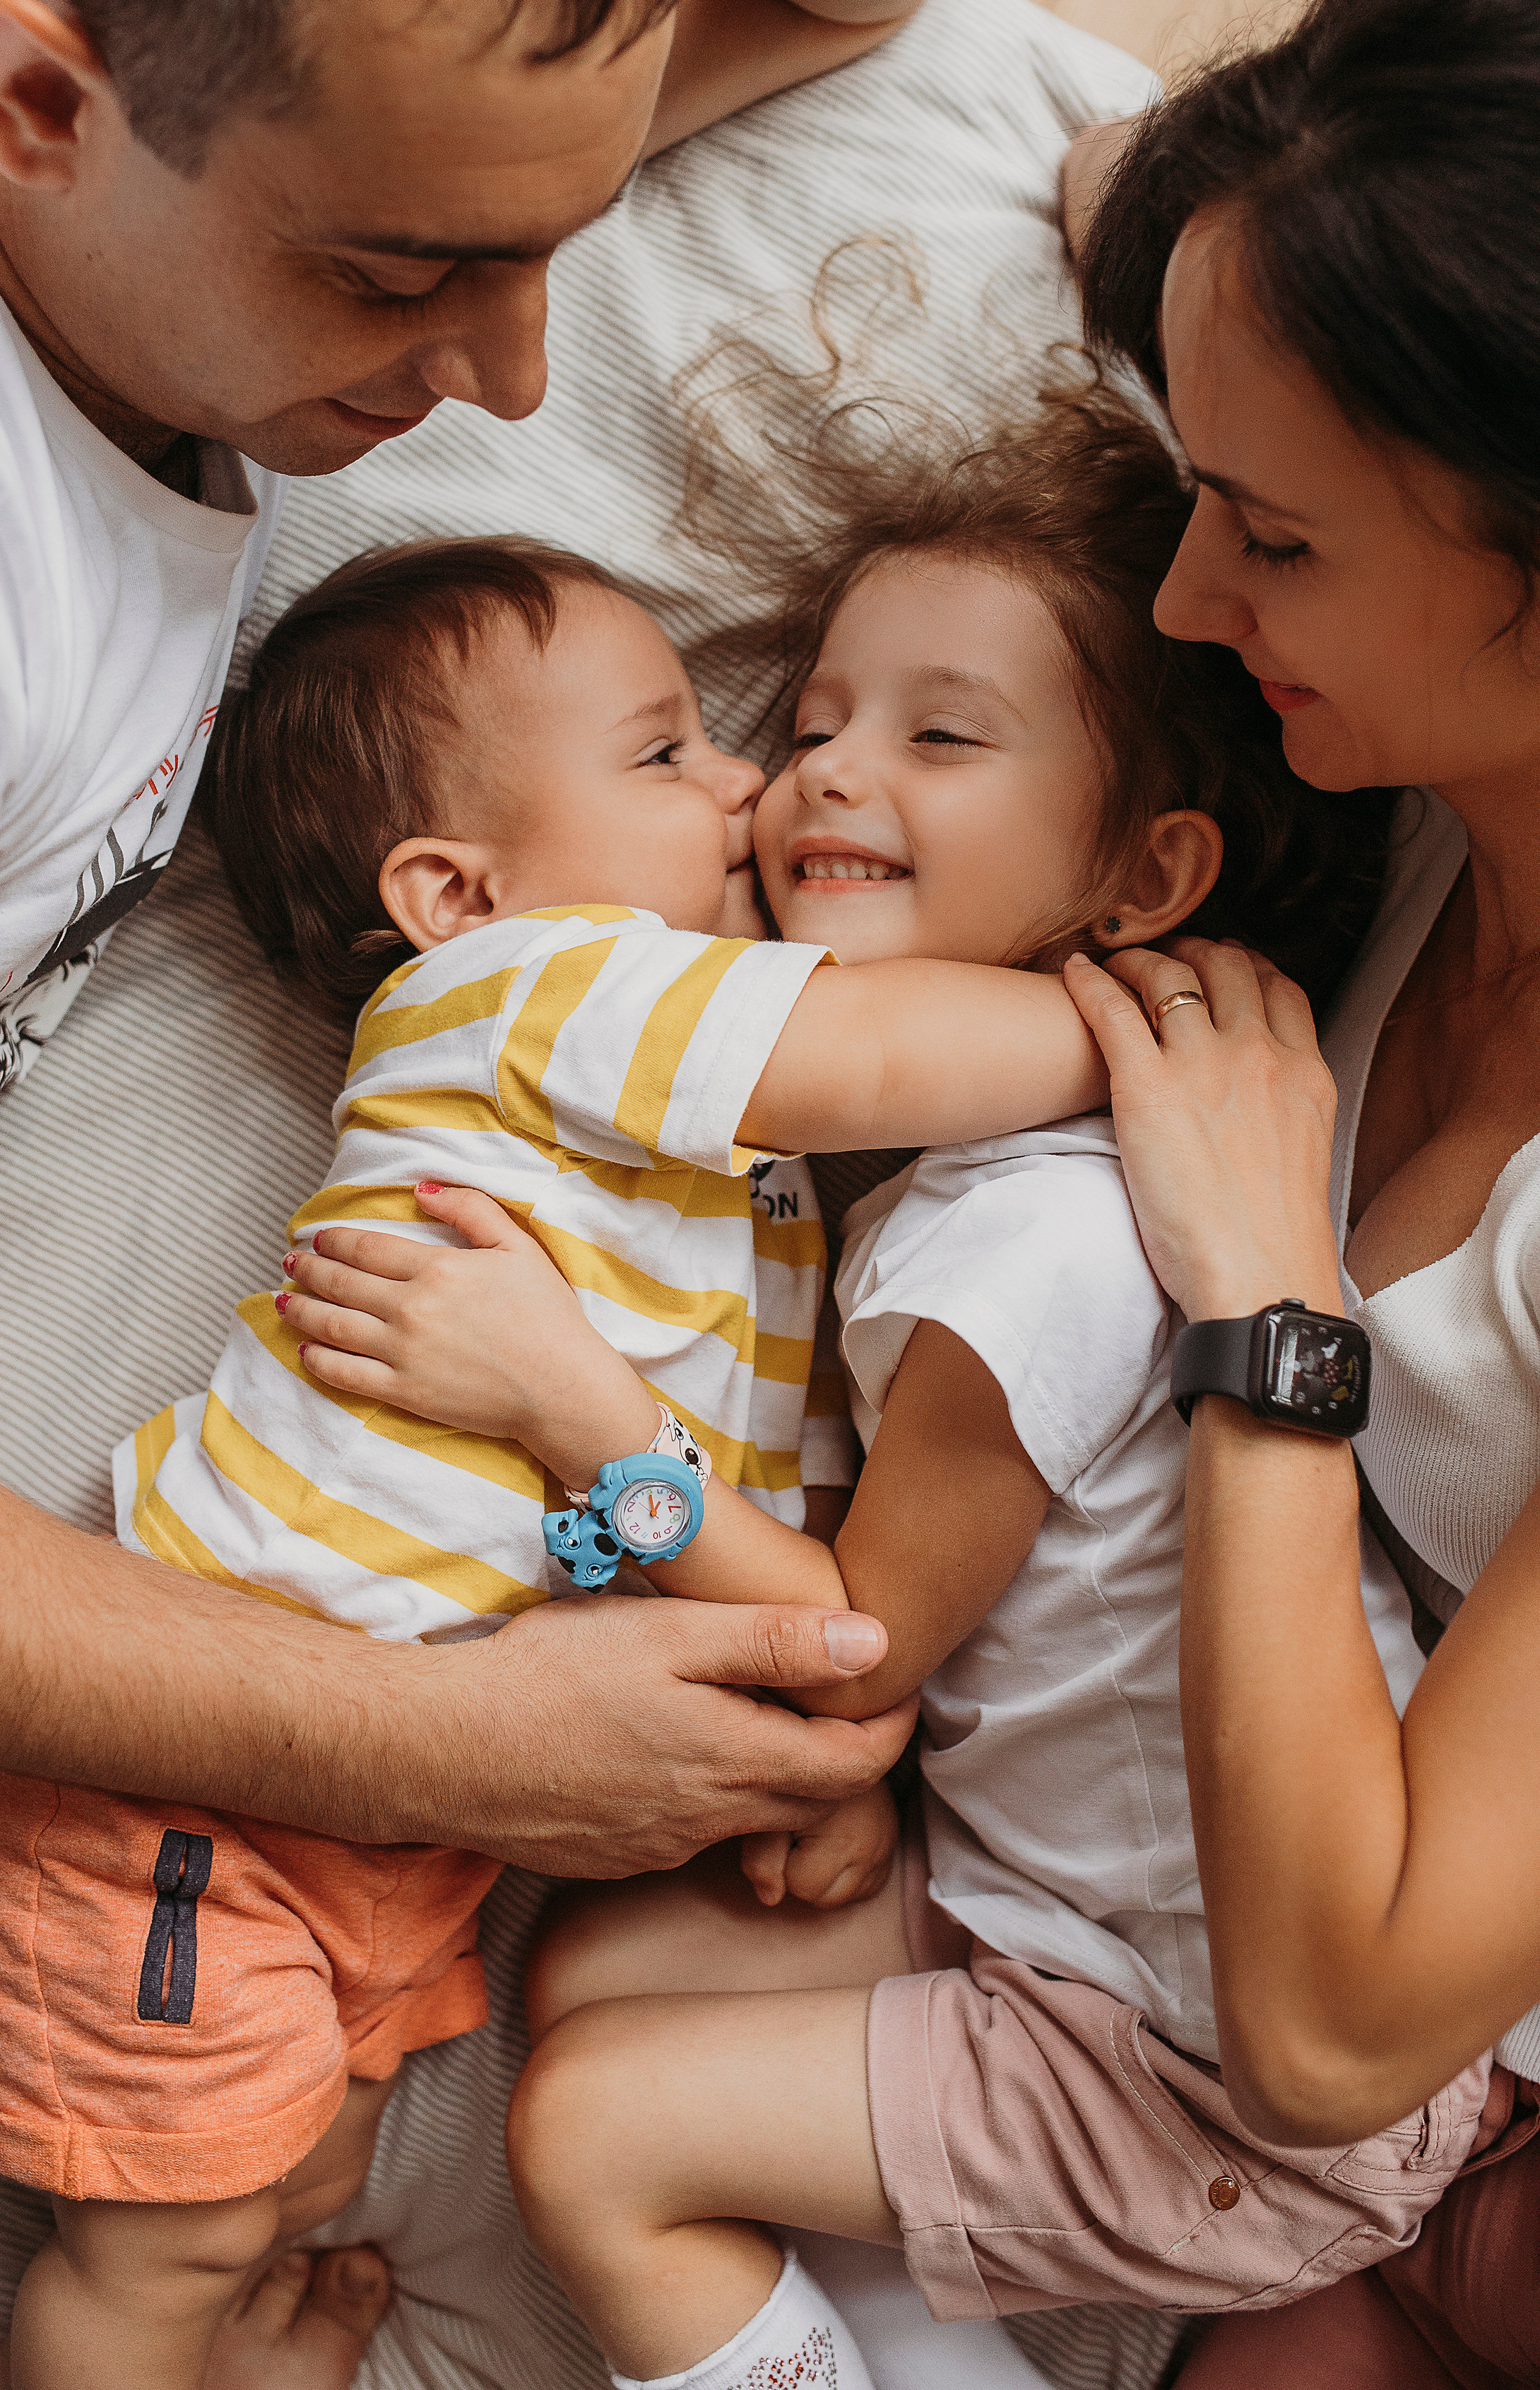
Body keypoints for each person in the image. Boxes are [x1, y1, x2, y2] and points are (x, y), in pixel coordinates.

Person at [0, 0, 988, 2375]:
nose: (517, 371)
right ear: (38, 96)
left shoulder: (203, 177)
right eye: (412, 277)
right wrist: (449, 1755)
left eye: (552, 238)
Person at [272, 384, 1479, 2390]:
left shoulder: (1046, 1239)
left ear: (1145, 880)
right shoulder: (931, 1199)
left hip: (1211, 2064)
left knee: (591, 2136)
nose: (817, 770)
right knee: (601, 1969)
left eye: (942, 736)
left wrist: (575, 1405)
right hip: (1044, 1904)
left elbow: (850, 1641)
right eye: (818, 718)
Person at [0, 526, 1129, 2390]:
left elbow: (757, 1559)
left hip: (378, 1831)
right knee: (167, 2244)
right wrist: (1143, 1015)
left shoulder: (752, 1201)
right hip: (181, 1790)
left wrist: (810, 1772)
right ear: (457, 893)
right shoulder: (545, 992)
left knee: (295, 2176)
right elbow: (896, 1051)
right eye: (667, 753)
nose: (747, 781)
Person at [1039, 0, 1540, 2387]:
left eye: (1277, 540)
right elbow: (1139, 177)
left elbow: (1336, 2021)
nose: (1180, 592)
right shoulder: (1443, 757)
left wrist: (1274, 1316)